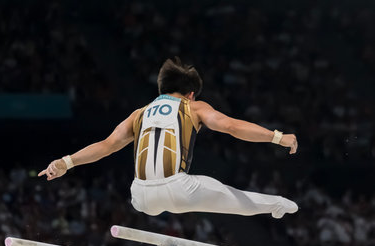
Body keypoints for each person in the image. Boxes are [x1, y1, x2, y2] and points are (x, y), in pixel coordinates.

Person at [39, 58, 299, 218]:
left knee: (159, 195)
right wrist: (277, 137)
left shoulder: (138, 114)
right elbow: (230, 126)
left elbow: (106, 146)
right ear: (191, 94)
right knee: (232, 197)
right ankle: (276, 204)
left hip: (140, 196)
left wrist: (66, 162)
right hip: (179, 188)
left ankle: (275, 206)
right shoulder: (193, 108)